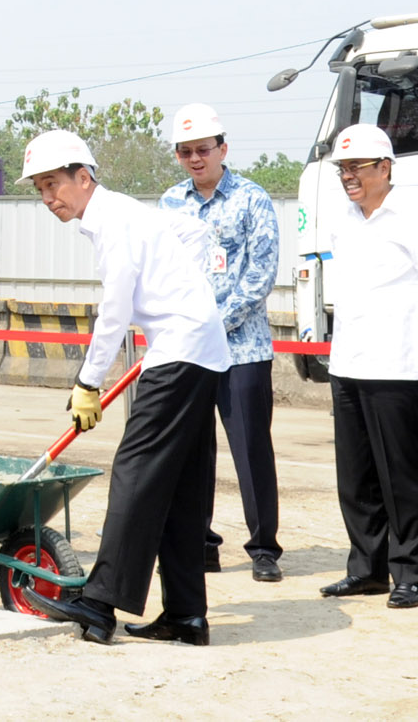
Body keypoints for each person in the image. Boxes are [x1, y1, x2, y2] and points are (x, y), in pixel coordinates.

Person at [22, 129, 231, 646]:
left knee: (135, 473)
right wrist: (184, 289)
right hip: (199, 349)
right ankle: (186, 615)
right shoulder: (127, 214)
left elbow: (114, 311)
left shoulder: (113, 221)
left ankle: (98, 603)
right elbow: (192, 234)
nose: (49, 198)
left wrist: (87, 382)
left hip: (180, 352)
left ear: (83, 176)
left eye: (54, 184)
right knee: (181, 489)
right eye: (40, 189)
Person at [318, 123, 418, 610]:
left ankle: (408, 573)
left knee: (401, 473)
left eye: (357, 167)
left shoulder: (416, 220)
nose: (348, 176)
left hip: (395, 363)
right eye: (343, 168)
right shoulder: (343, 220)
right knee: (355, 475)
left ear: (385, 167)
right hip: (349, 359)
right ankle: (367, 569)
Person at [156, 103, 283, 582]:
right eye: (185, 151)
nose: (195, 158)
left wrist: (216, 321)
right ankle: (200, 542)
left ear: (222, 149)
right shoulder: (170, 204)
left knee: (251, 449)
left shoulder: (252, 199)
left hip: (243, 347)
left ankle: (264, 547)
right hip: (189, 348)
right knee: (192, 450)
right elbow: (163, 269)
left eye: (203, 149)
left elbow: (261, 273)